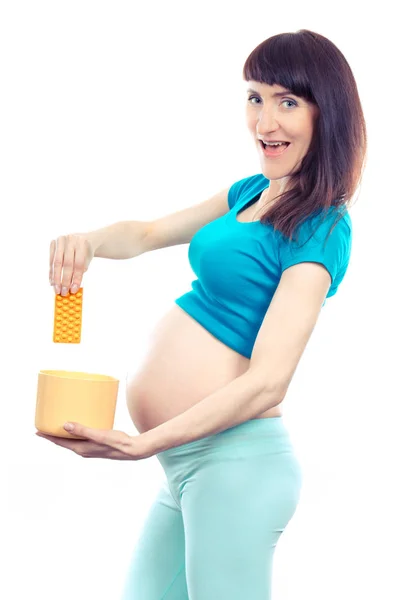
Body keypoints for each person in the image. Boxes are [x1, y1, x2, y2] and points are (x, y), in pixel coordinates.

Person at [48, 29, 367, 600]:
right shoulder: (251, 191)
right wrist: (90, 242)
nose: (264, 122)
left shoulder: (322, 226)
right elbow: (146, 234)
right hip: (185, 465)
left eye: (287, 103)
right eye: (255, 97)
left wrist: (145, 442)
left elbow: (269, 381)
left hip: (235, 466)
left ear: (328, 114)